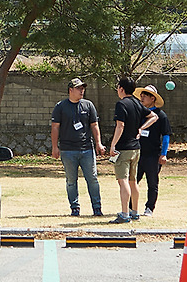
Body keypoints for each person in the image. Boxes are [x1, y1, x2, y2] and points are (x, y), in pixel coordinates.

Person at [50, 78, 105, 216]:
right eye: (79, 88)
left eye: (83, 88)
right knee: (71, 181)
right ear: (70, 90)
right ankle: (74, 208)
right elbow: (55, 127)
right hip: (68, 150)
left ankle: (97, 208)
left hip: (87, 149)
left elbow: (94, 125)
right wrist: (55, 147)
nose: (82, 91)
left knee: (92, 179)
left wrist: (98, 143)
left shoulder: (88, 105)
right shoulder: (60, 106)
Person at [108, 77, 145, 223]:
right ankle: (135, 211)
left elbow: (120, 126)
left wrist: (113, 145)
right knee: (133, 181)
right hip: (136, 148)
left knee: (122, 181)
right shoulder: (137, 103)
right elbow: (153, 116)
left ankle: (124, 213)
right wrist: (141, 128)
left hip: (123, 148)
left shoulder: (121, 104)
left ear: (121, 89)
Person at [135, 84, 170, 218]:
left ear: (153, 98)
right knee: (133, 181)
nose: (142, 98)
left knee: (152, 183)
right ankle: (131, 207)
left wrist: (164, 154)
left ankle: (149, 208)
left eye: (145, 96)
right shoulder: (139, 113)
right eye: (141, 95)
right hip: (138, 153)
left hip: (153, 155)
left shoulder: (161, 116)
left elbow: (166, 136)